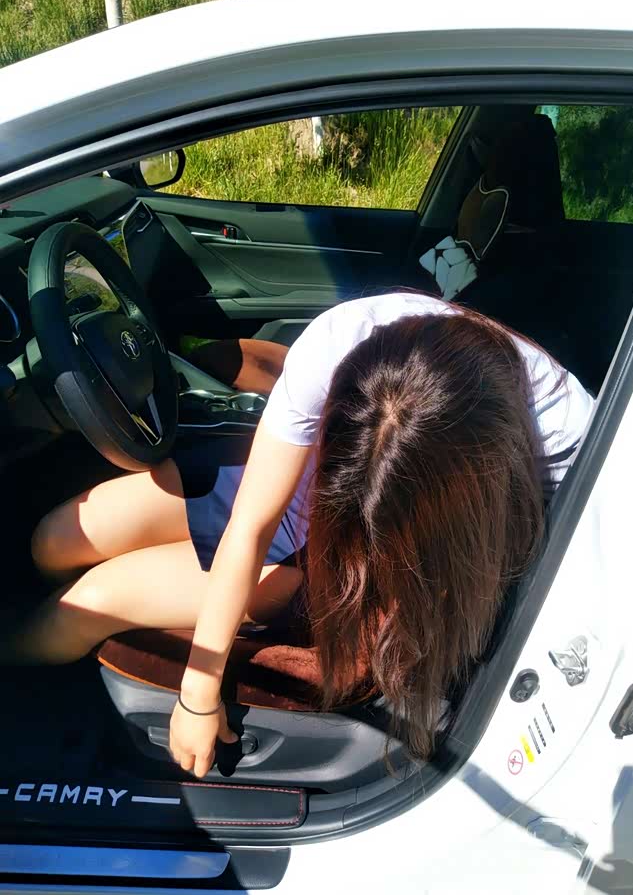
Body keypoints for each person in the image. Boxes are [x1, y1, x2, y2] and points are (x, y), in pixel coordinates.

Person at [19, 292, 594, 773]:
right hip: (301, 485)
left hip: (363, 557)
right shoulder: (343, 339)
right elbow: (251, 523)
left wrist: (198, 694)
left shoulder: (567, 439)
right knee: (59, 536)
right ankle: (57, 660)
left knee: (89, 603)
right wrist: (198, 689)